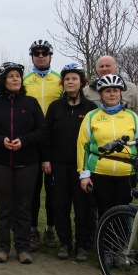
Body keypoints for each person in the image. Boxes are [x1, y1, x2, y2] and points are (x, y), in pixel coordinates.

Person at [0, 62, 48, 264]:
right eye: (11, 76)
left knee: (23, 207)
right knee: (3, 207)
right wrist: (1, 141)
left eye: (18, 75)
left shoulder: (31, 103)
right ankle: (2, 247)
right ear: (3, 81)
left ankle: (23, 247)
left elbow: (43, 130)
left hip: (27, 163)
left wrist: (24, 141)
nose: (16, 79)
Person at [77, 74, 138, 222]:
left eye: (115, 90)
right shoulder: (91, 116)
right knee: (104, 213)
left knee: (124, 212)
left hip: (126, 174)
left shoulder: (131, 116)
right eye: (107, 91)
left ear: (121, 93)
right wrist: (84, 174)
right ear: (100, 94)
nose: (112, 94)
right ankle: (104, 245)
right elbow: (83, 146)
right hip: (99, 172)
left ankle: (122, 246)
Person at [41, 63, 97, 262]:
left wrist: (90, 167)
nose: (70, 82)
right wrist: (46, 159)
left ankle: (82, 245)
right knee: (60, 205)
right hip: (58, 165)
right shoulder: (55, 107)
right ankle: (65, 243)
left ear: (82, 82)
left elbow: (95, 140)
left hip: (83, 167)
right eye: (67, 79)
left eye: (74, 78)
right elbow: (46, 135)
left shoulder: (91, 108)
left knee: (83, 207)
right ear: (62, 83)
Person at [23, 40, 63, 250]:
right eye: (36, 53)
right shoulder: (24, 80)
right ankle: (32, 231)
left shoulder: (60, 81)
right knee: (32, 191)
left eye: (44, 52)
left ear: (50, 55)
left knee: (53, 192)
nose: (40, 55)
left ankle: (50, 230)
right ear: (31, 56)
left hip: (54, 144)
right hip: (31, 143)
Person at [83, 55, 138, 128]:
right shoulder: (87, 91)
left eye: (108, 66)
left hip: (126, 135)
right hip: (98, 136)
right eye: (101, 66)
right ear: (97, 69)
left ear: (116, 68)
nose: (104, 69)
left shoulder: (131, 89)